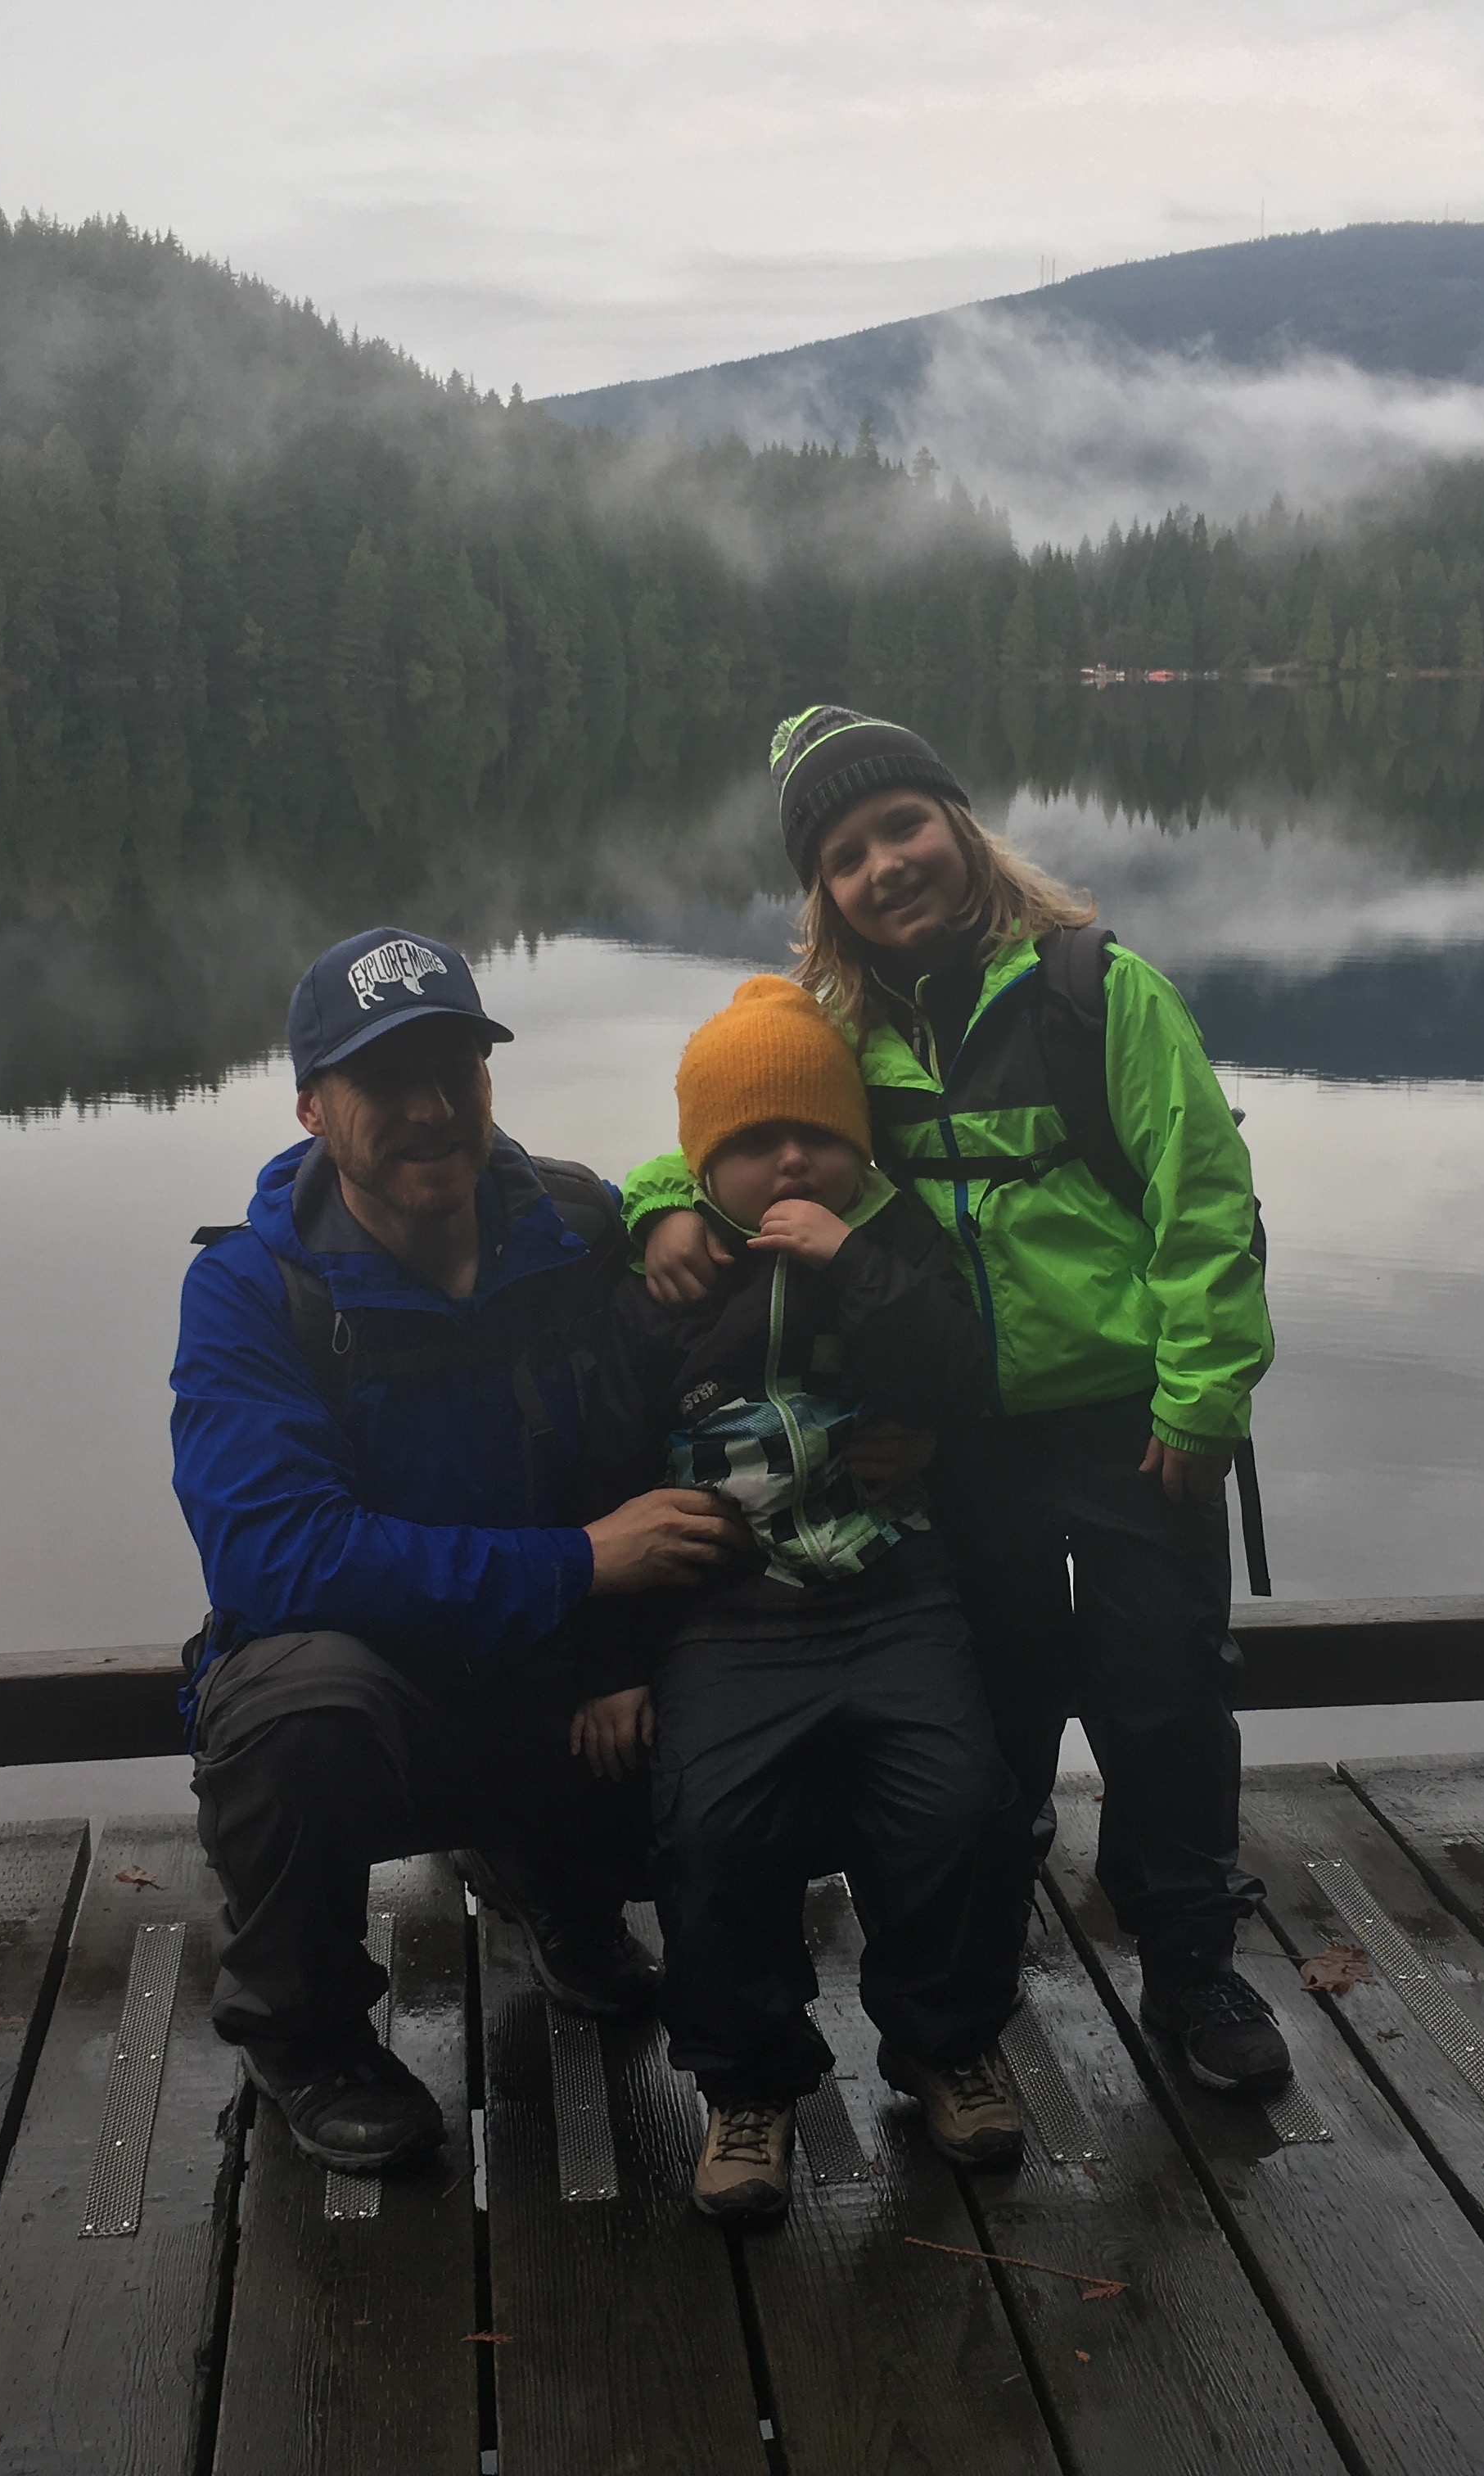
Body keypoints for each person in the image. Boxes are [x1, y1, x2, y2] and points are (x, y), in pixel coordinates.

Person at [624, 709, 1292, 2095]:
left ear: (961, 829)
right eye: (846, 856)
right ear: (826, 895)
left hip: (1137, 1425)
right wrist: (654, 1210)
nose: (885, 866)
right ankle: (975, 1970)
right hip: (963, 1438)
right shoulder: (839, 1034)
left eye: (903, 827)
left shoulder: (1097, 992)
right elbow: (723, 1132)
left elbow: (1206, 1205)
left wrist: (1203, 1399)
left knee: (1166, 1696)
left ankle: (1191, 1963)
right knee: (1002, 1704)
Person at [173, 924, 749, 2174]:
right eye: (387, 1080)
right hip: (391, 1697)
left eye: (456, 1069)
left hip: (564, 1677)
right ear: (312, 1108)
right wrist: (579, 1564)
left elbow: (716, 1260)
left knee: (734, 1668)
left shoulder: (580, 1223)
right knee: (291, 1711)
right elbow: (275, 1559)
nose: (431, 1109)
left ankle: (561, 1887)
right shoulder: (251, 1292)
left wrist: (673, 1217)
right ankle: (306, 2037)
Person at [571, 975, 1032, 2221]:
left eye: (818, 1133)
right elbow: (602, 1473)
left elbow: (959, 1368)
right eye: (756, 1139)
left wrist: (856, 1263)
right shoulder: (660, 1279)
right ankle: (749, 2083)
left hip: (892, 1586)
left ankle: (946, 2044)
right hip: (726, 1610)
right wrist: (611, 1666)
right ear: (701, 1161)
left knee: (959, 1803)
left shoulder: (899, 1244)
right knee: (713, 1831)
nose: (791, 1160)